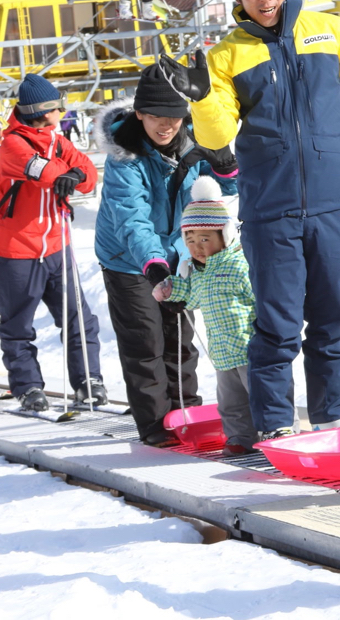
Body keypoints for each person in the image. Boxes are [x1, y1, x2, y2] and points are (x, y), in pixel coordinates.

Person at [160, 0, 340, 442]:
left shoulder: (331, 32)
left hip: (334, 203)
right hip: (272, 211)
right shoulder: (225, 56)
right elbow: (217, 137)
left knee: (333, 320)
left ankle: (335, 414)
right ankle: (275, 426)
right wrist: (202, 98)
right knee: (276, 325)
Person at [94, 63, 238, 446]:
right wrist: (154, 267)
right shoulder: (124, 158)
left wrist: (225, 165)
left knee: (180, 336)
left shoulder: (193, 143)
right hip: (128, 260)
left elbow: (232, 184)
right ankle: (156, 426)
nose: (165, 126)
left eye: (173, 117)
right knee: (146, 339)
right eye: (155, 116)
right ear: (139, 114)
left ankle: (186, 411)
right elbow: (132, 221)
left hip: (176, 254)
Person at [0, 74, 102, 412]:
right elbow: (40, 172)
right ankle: (27, 387)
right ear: (43, 111)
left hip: (55, 245)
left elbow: (88, 175)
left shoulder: (58, 141)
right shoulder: (12, 144)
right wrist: (67, 172)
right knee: (18, 325)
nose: (61, 112)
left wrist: (77, 173)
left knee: (78, 318)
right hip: (16, 250)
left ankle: (88, 381)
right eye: (57, 107)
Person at [152, 176, 262, 456]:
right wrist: (170, 289)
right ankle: (240, 438)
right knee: (231, 403)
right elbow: (192, 294)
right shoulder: (198, 271)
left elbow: (262, 297)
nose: (196, 246)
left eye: (204, 239)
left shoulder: (240, 265)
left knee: (265, 397)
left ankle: (275, 435)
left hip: (252, 350)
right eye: (189, 240)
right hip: (223, 353)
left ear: (224, 235)